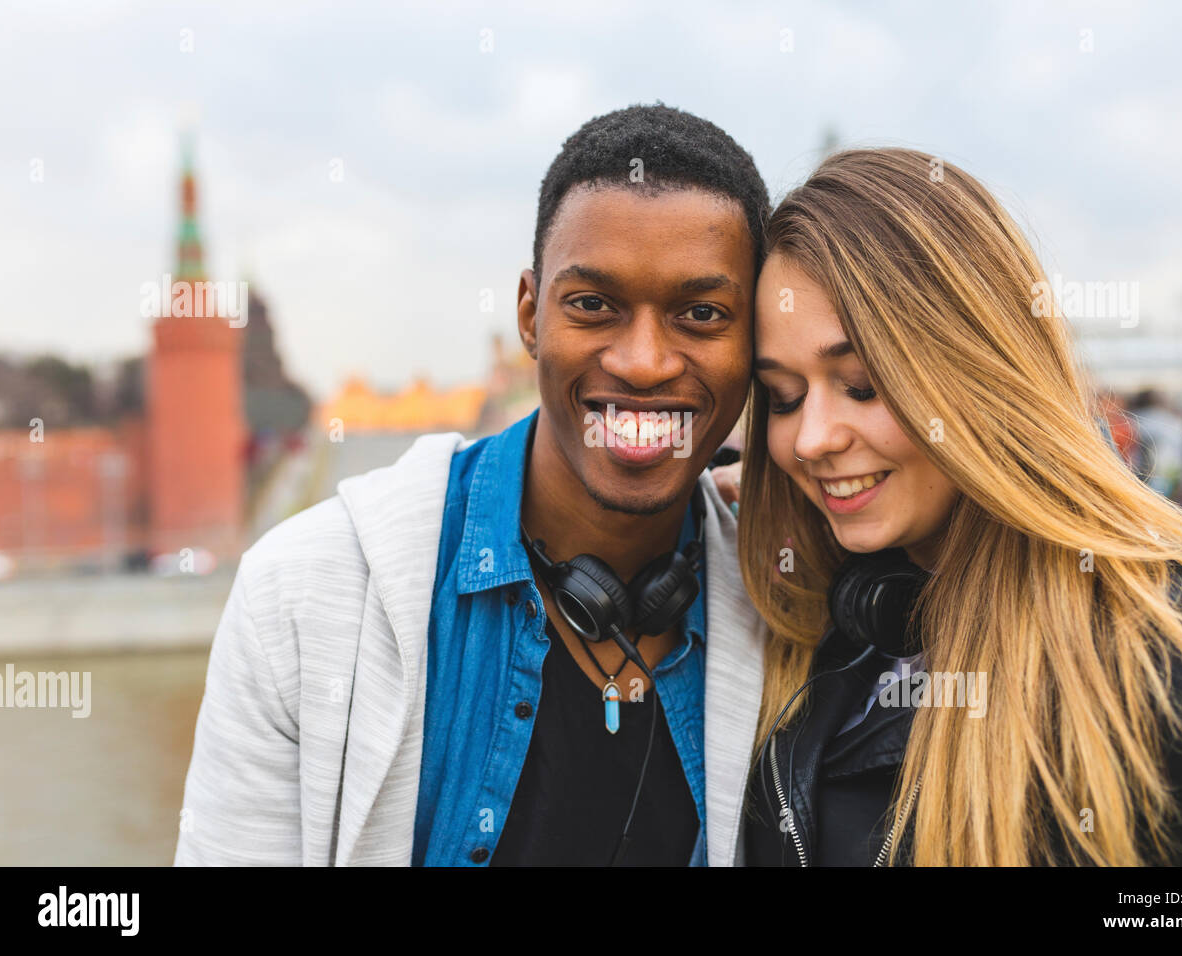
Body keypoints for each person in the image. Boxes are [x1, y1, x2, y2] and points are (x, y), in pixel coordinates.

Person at [174, 104, 771, 866]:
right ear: (529, 315)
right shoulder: (303, 600)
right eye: (593, 305)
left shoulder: (790, 601)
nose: (644, 362)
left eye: (701, 313)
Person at [731, 148, 1182, 866]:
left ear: (979, 372)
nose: (810, 439)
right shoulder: (821, 622)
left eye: (862, 385)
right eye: (784, 397)